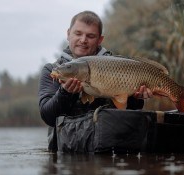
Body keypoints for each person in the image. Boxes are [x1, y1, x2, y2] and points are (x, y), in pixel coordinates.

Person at [38, 11, 153, 152]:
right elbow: (48, 116)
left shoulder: (116, 65)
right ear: (68, 34)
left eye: (90, 36)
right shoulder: (54, 70)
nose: (83, 40)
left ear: (100, 40)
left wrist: (137, 98)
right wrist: (65, 93)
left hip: (108, 150)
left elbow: (128, 112)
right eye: (78, 33)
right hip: (66, 153)